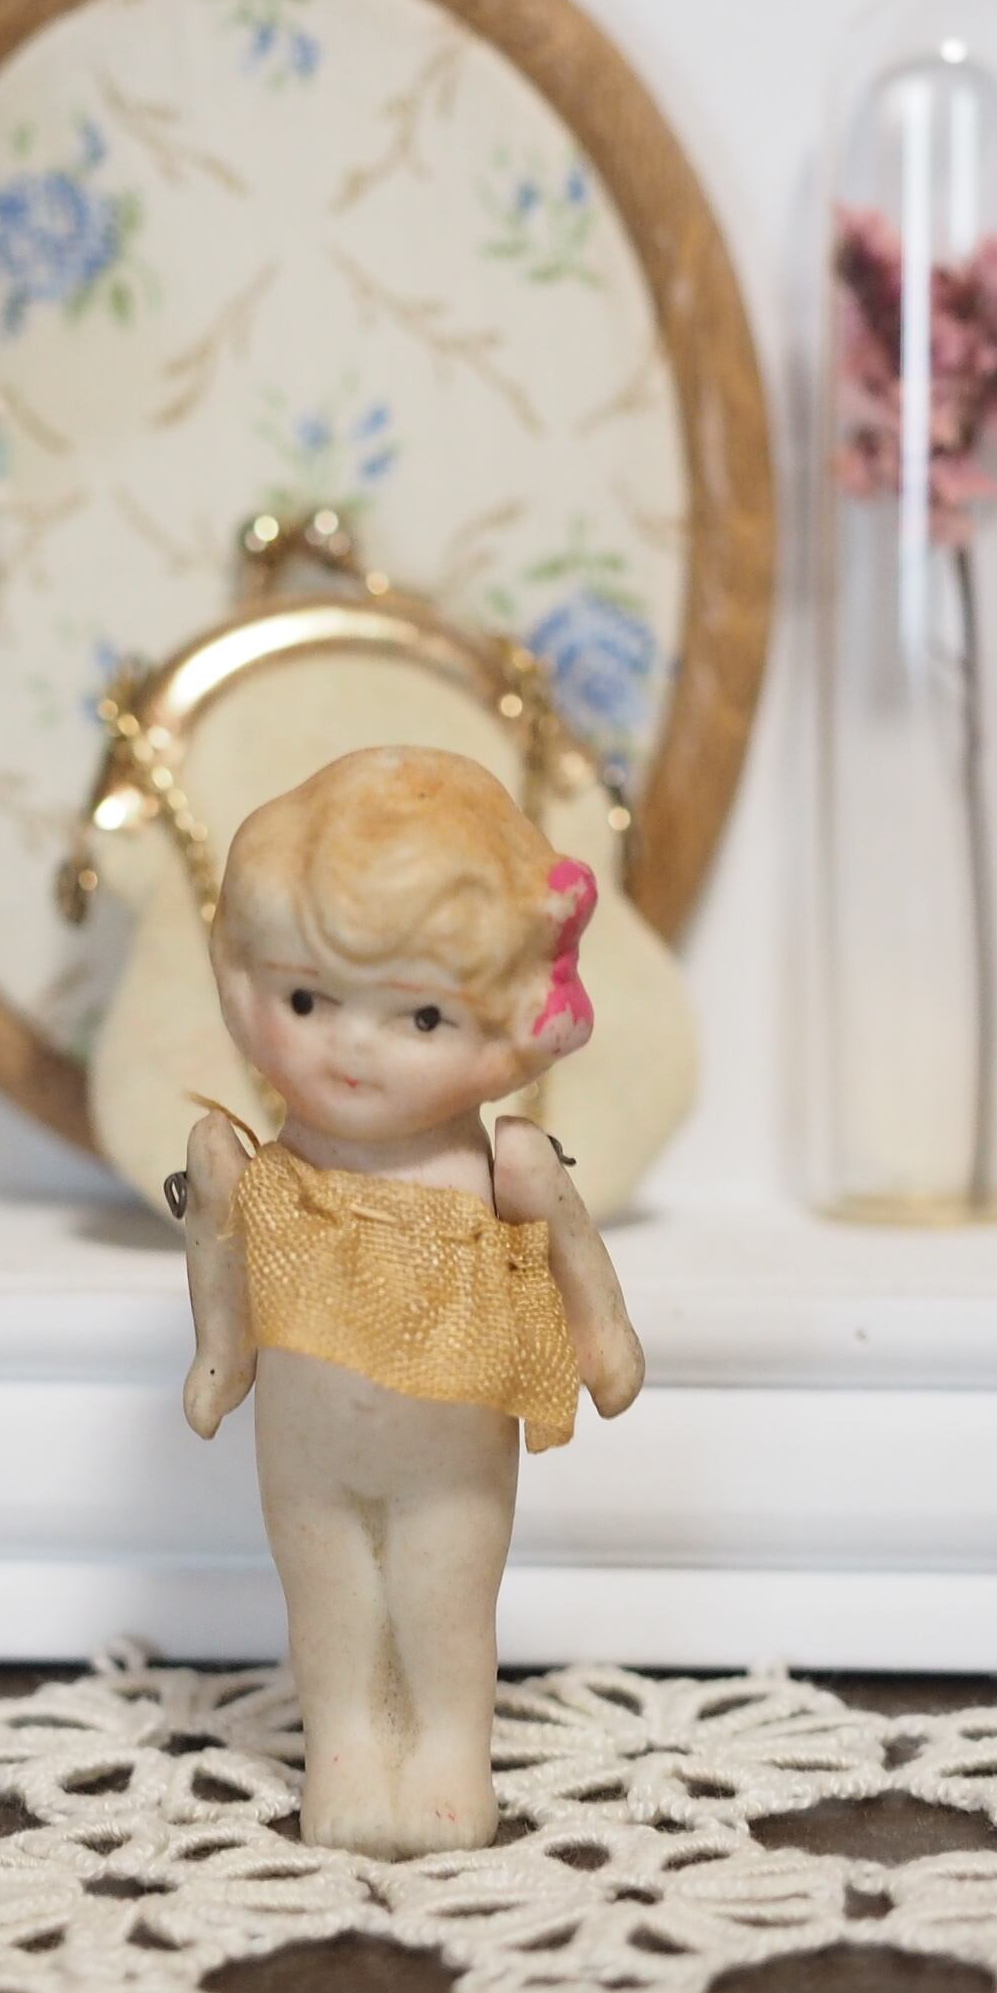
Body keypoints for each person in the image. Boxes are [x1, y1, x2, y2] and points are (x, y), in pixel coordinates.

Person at [179, 747, 645, 1858]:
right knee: (330, 1595)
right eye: (305, 999)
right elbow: (223, 1262)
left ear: (512, 1026)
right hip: (306, 1445)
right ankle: (344, 1750)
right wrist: (218, 1357)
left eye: (422, 1018)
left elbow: (569, 1247)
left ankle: (446, 1753)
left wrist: (604, 1338)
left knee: (443, 1596)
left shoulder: (508, 1163)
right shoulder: (249, 1166)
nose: (351, 1047)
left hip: (452, 1439)